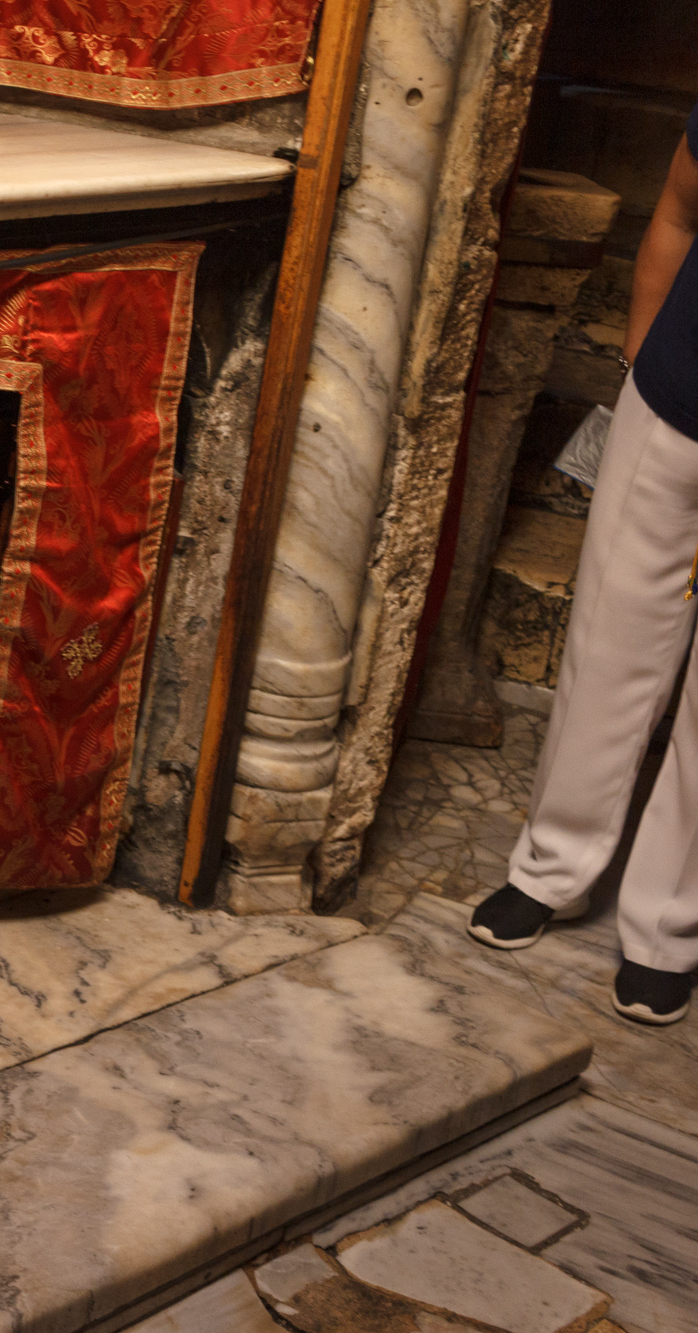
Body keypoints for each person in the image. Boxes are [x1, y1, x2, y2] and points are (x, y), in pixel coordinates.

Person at [466, 107, 698, 1026]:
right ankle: (551, 868)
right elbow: (678, 210)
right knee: (610, 643)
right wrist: (640, 356)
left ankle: (668, 930)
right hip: (672, 406)